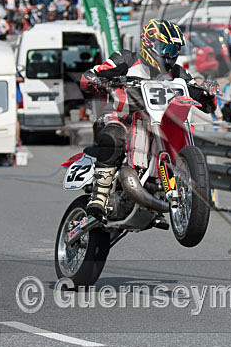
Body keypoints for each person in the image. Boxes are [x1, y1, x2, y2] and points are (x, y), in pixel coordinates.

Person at [80, 19, 219, 218]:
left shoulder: (178, 72)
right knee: (114, 133)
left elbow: (204, 102)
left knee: (182, 131)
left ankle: (178, 187)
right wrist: (98, 80)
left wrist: (208, 92)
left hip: (160, 124)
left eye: (174, 50)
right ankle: (99, 195)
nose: (170, 56)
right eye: (166, 48)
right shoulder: (126, 59)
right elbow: (90, 76)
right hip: (124, 118)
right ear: (149, 43)